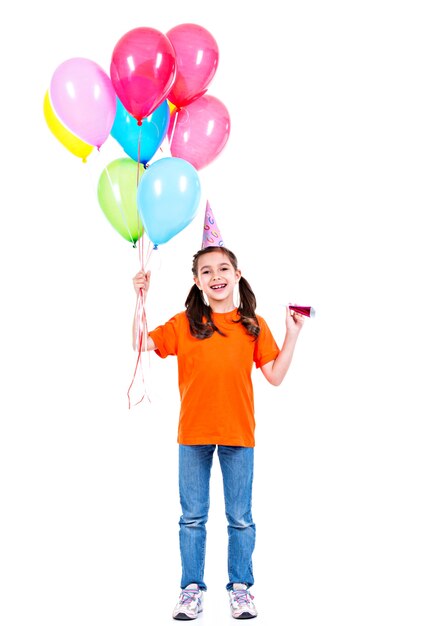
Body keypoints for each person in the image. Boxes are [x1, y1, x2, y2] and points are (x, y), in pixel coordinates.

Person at [132, 246, 306, 620]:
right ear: (197, 282)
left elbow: (274, 375)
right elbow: (139, 342)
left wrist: (292, 335)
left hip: (238, 434)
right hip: (193, 434)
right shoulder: (184, 324)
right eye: (207, 271)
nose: (216, 276)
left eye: (223, 268)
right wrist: (139, 300)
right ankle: (191, 589)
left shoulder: (251, 325)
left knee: (240, 517)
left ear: (237, 274)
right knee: (192, 517)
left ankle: (240, 588)